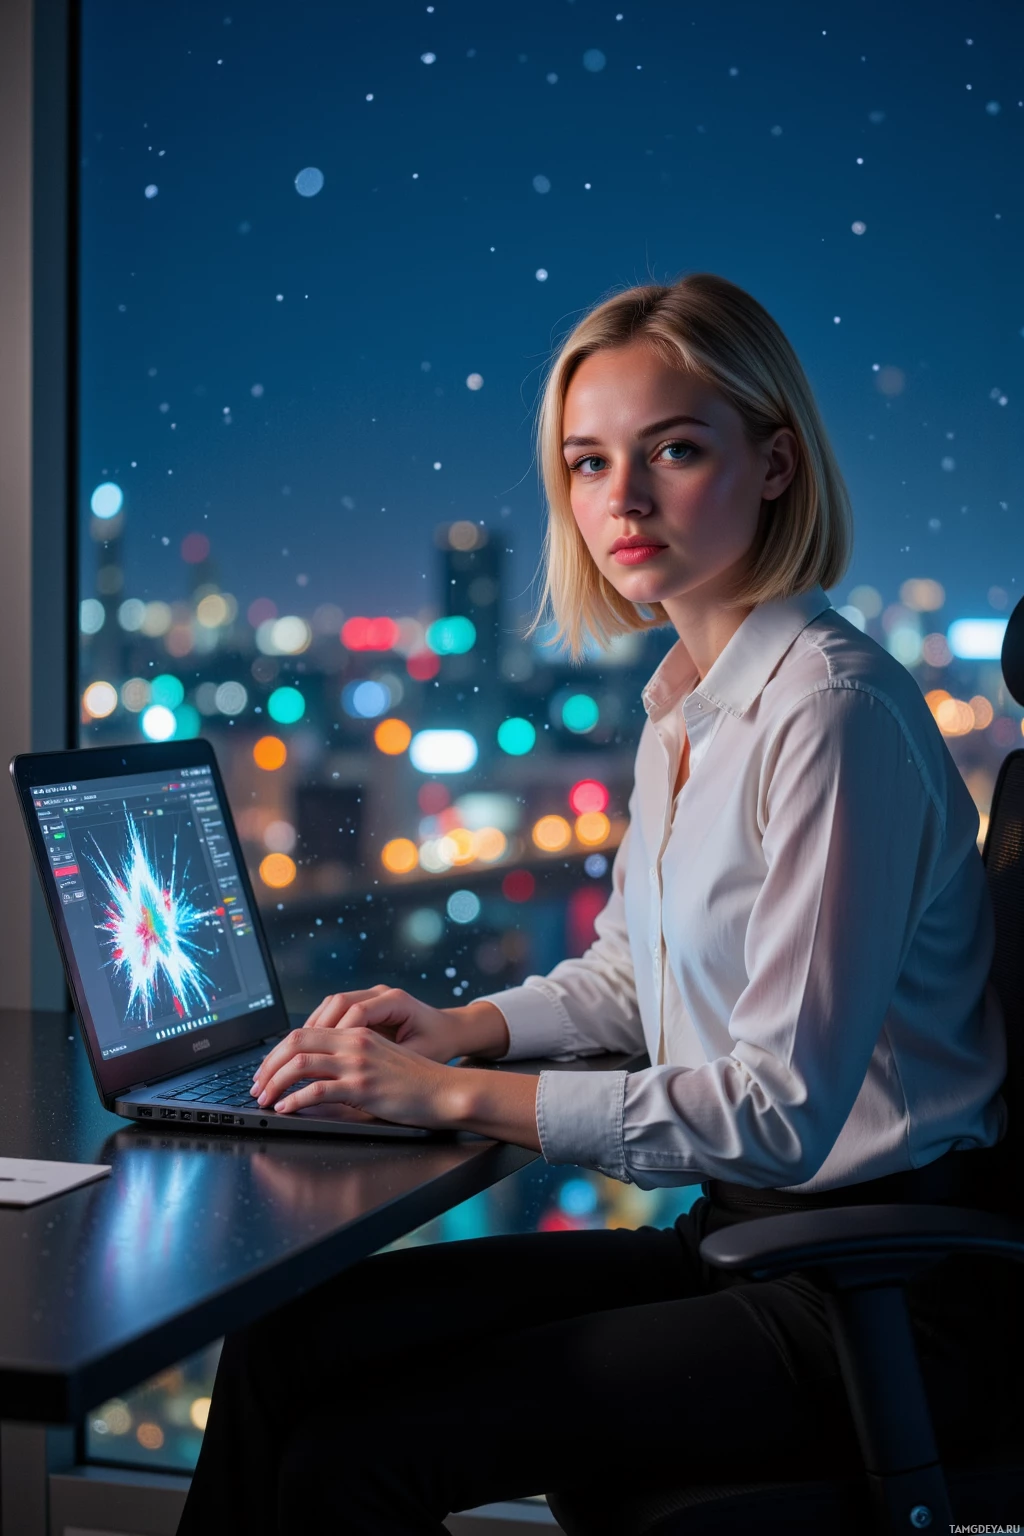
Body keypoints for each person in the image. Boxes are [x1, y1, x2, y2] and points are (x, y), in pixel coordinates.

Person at [177, 272, 1017, 1535]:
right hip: (742, 1238)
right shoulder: (687, 696)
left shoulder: (831, 714)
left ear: (774, 463)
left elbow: (778, 1114)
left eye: (672, 450)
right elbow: (629, 976)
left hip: (880, 1291)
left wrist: (453, 1100)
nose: (617, 501)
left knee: (359, 1457)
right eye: (585, 463)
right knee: (287, 1345)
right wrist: (456, 1029)